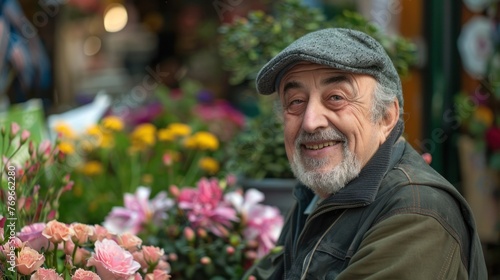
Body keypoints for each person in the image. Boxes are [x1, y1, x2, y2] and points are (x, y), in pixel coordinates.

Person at [244, 28, 488, 279]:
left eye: (336, 98)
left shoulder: (416, 212)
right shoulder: (317, 194)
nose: (310, 121)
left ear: (386, 117)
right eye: (295, 101)